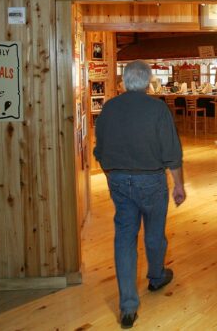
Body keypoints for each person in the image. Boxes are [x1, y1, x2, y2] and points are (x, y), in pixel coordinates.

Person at [93, 60, 186, 329]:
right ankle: (156, 277)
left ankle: (128, 307)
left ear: (123, 81)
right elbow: (171, 151)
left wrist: (111, 173)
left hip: (119, 180)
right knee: (154, 233)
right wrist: (179, 185)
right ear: (147, 82)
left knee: (124, 237)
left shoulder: (109, 107)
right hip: (151, 180)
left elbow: (100, 149)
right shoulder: (157, 108)